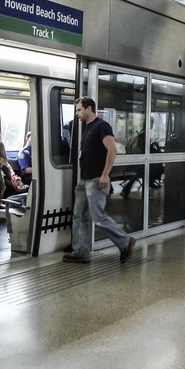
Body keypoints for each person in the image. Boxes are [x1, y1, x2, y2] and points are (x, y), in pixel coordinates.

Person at [63, 97, 135, 264]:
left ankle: (125, 242)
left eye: (79, 110)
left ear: (89, 109)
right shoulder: (87, 128)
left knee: (98, 218)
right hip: (84, 180)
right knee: (78, 216)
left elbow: (112, 150)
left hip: (97, 179)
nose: (77, 114)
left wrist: (105, 174)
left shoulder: (101, 126)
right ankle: (81, 252)